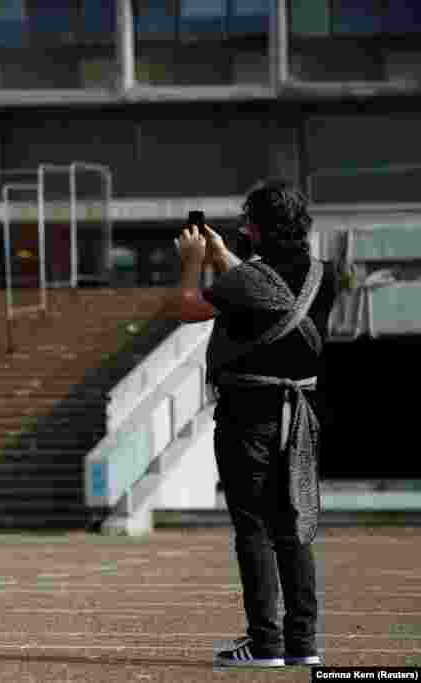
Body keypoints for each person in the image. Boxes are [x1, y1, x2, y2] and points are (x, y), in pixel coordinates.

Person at [171, 180, 338, 668]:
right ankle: (302, 643)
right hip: (300, 412)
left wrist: (193, 260)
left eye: (248, 220)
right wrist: (225, 256)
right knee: (294, 527)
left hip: (249, 415)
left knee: (254, 528)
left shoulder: (247, 280)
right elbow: (269, 296)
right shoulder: (324, 275)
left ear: (258, 227)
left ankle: (264, 642)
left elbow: (187, 308)